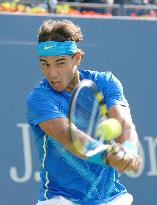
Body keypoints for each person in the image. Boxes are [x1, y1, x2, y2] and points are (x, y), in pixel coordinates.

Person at [26, 19, 141, 205]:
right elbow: (69, 137)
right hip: (61, 200)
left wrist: (129, 150)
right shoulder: (39, 98)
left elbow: (124, 124)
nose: (52, 73)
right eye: (45, 64)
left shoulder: (106, 82)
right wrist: (108, 155)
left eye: (60, 63)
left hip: (112, 198)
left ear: (77, 57)